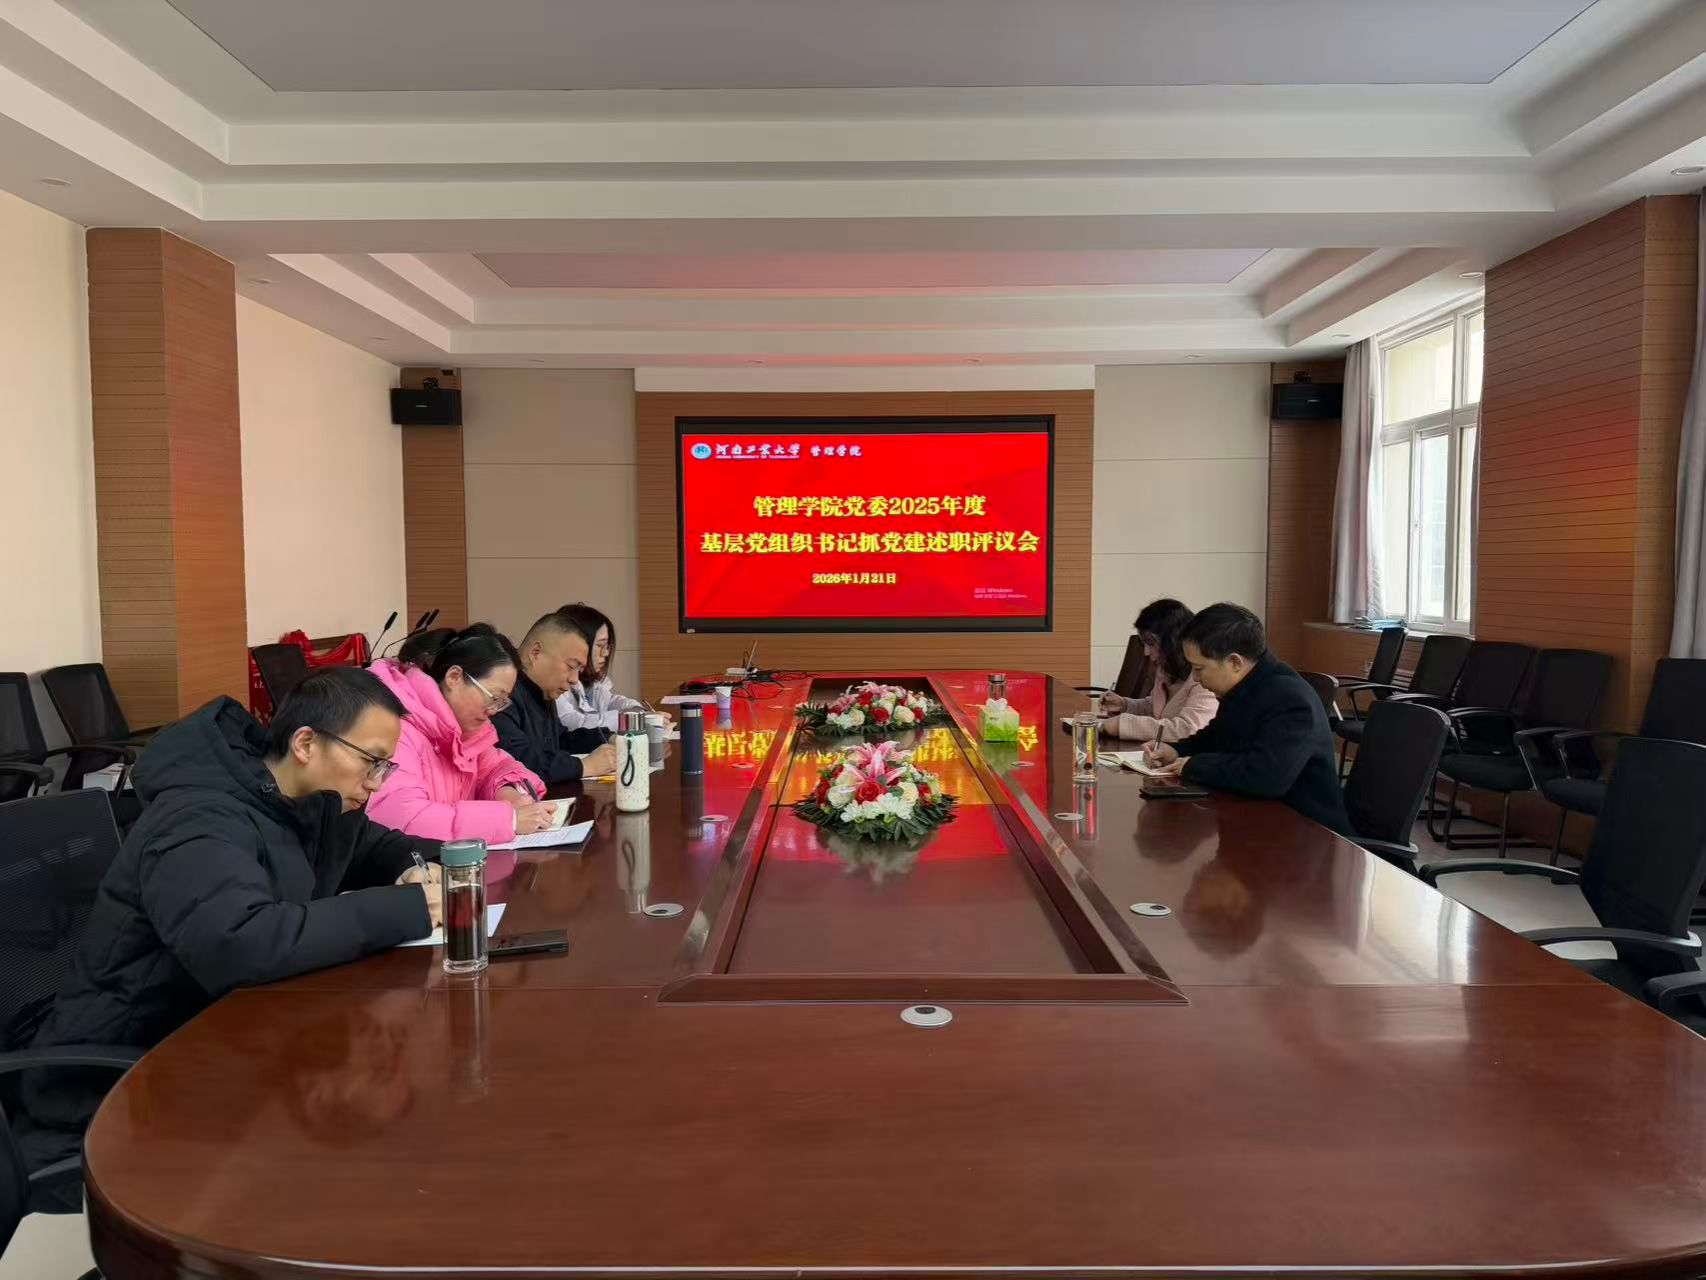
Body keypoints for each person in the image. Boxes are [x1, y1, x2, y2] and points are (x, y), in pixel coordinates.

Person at [18, 668, 443, 1181]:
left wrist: (425, 865)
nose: (375, 783)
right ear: (306, 744)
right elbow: (239, 943)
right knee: (316, 1175)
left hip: (221, 1041)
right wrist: (405, 909)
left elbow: (372, 845)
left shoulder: (305, 802)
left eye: (385, 767)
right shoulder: (199, 818)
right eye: (370, 762)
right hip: (122, 1079)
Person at [1144, 603, 1351, 835]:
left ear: (1235, 662)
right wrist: (1177, 750)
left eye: (1199, 668)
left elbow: (1265, 776)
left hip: (1309, 834)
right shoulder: (1244, 687)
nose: (1195, 678)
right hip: (1261, 820)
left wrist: (1193, 765)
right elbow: (1216, 736)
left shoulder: (1290, 700)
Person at [368, 624, 553, 843]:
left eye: (502, 702)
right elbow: (404, 819)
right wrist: (509, 820)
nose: (494, 711)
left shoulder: (465, 729)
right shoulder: (394, 728)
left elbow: (496, 767)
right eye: (494, 697)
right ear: (454, 677)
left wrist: (508, 792)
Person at [494, 611, 620, 785]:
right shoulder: (502, 692)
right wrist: (584, 766)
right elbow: (516, 758)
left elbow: (560, 741)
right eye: (571, 666)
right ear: (536, 652)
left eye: (579, 670)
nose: (575, 679)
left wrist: (607, 738)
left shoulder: (543, 691)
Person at [1099, 598, 1218, 743]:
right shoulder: (1166, 669)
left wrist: (1124, 725)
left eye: (1151, 643)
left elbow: (1188, 729)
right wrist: (1125, 705)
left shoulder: (1204, 677)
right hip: (1161, 752)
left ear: (1173, 641)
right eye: (1144, 644)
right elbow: (1156, 708)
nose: (1146, 653)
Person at [554, 602, 650, 736]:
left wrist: (638, 711)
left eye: (607, 646)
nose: (606, 653)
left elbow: (610, 702)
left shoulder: (591, 682)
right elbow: (575, 723)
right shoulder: (554, 681)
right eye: (600, 645)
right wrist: (632, 719)